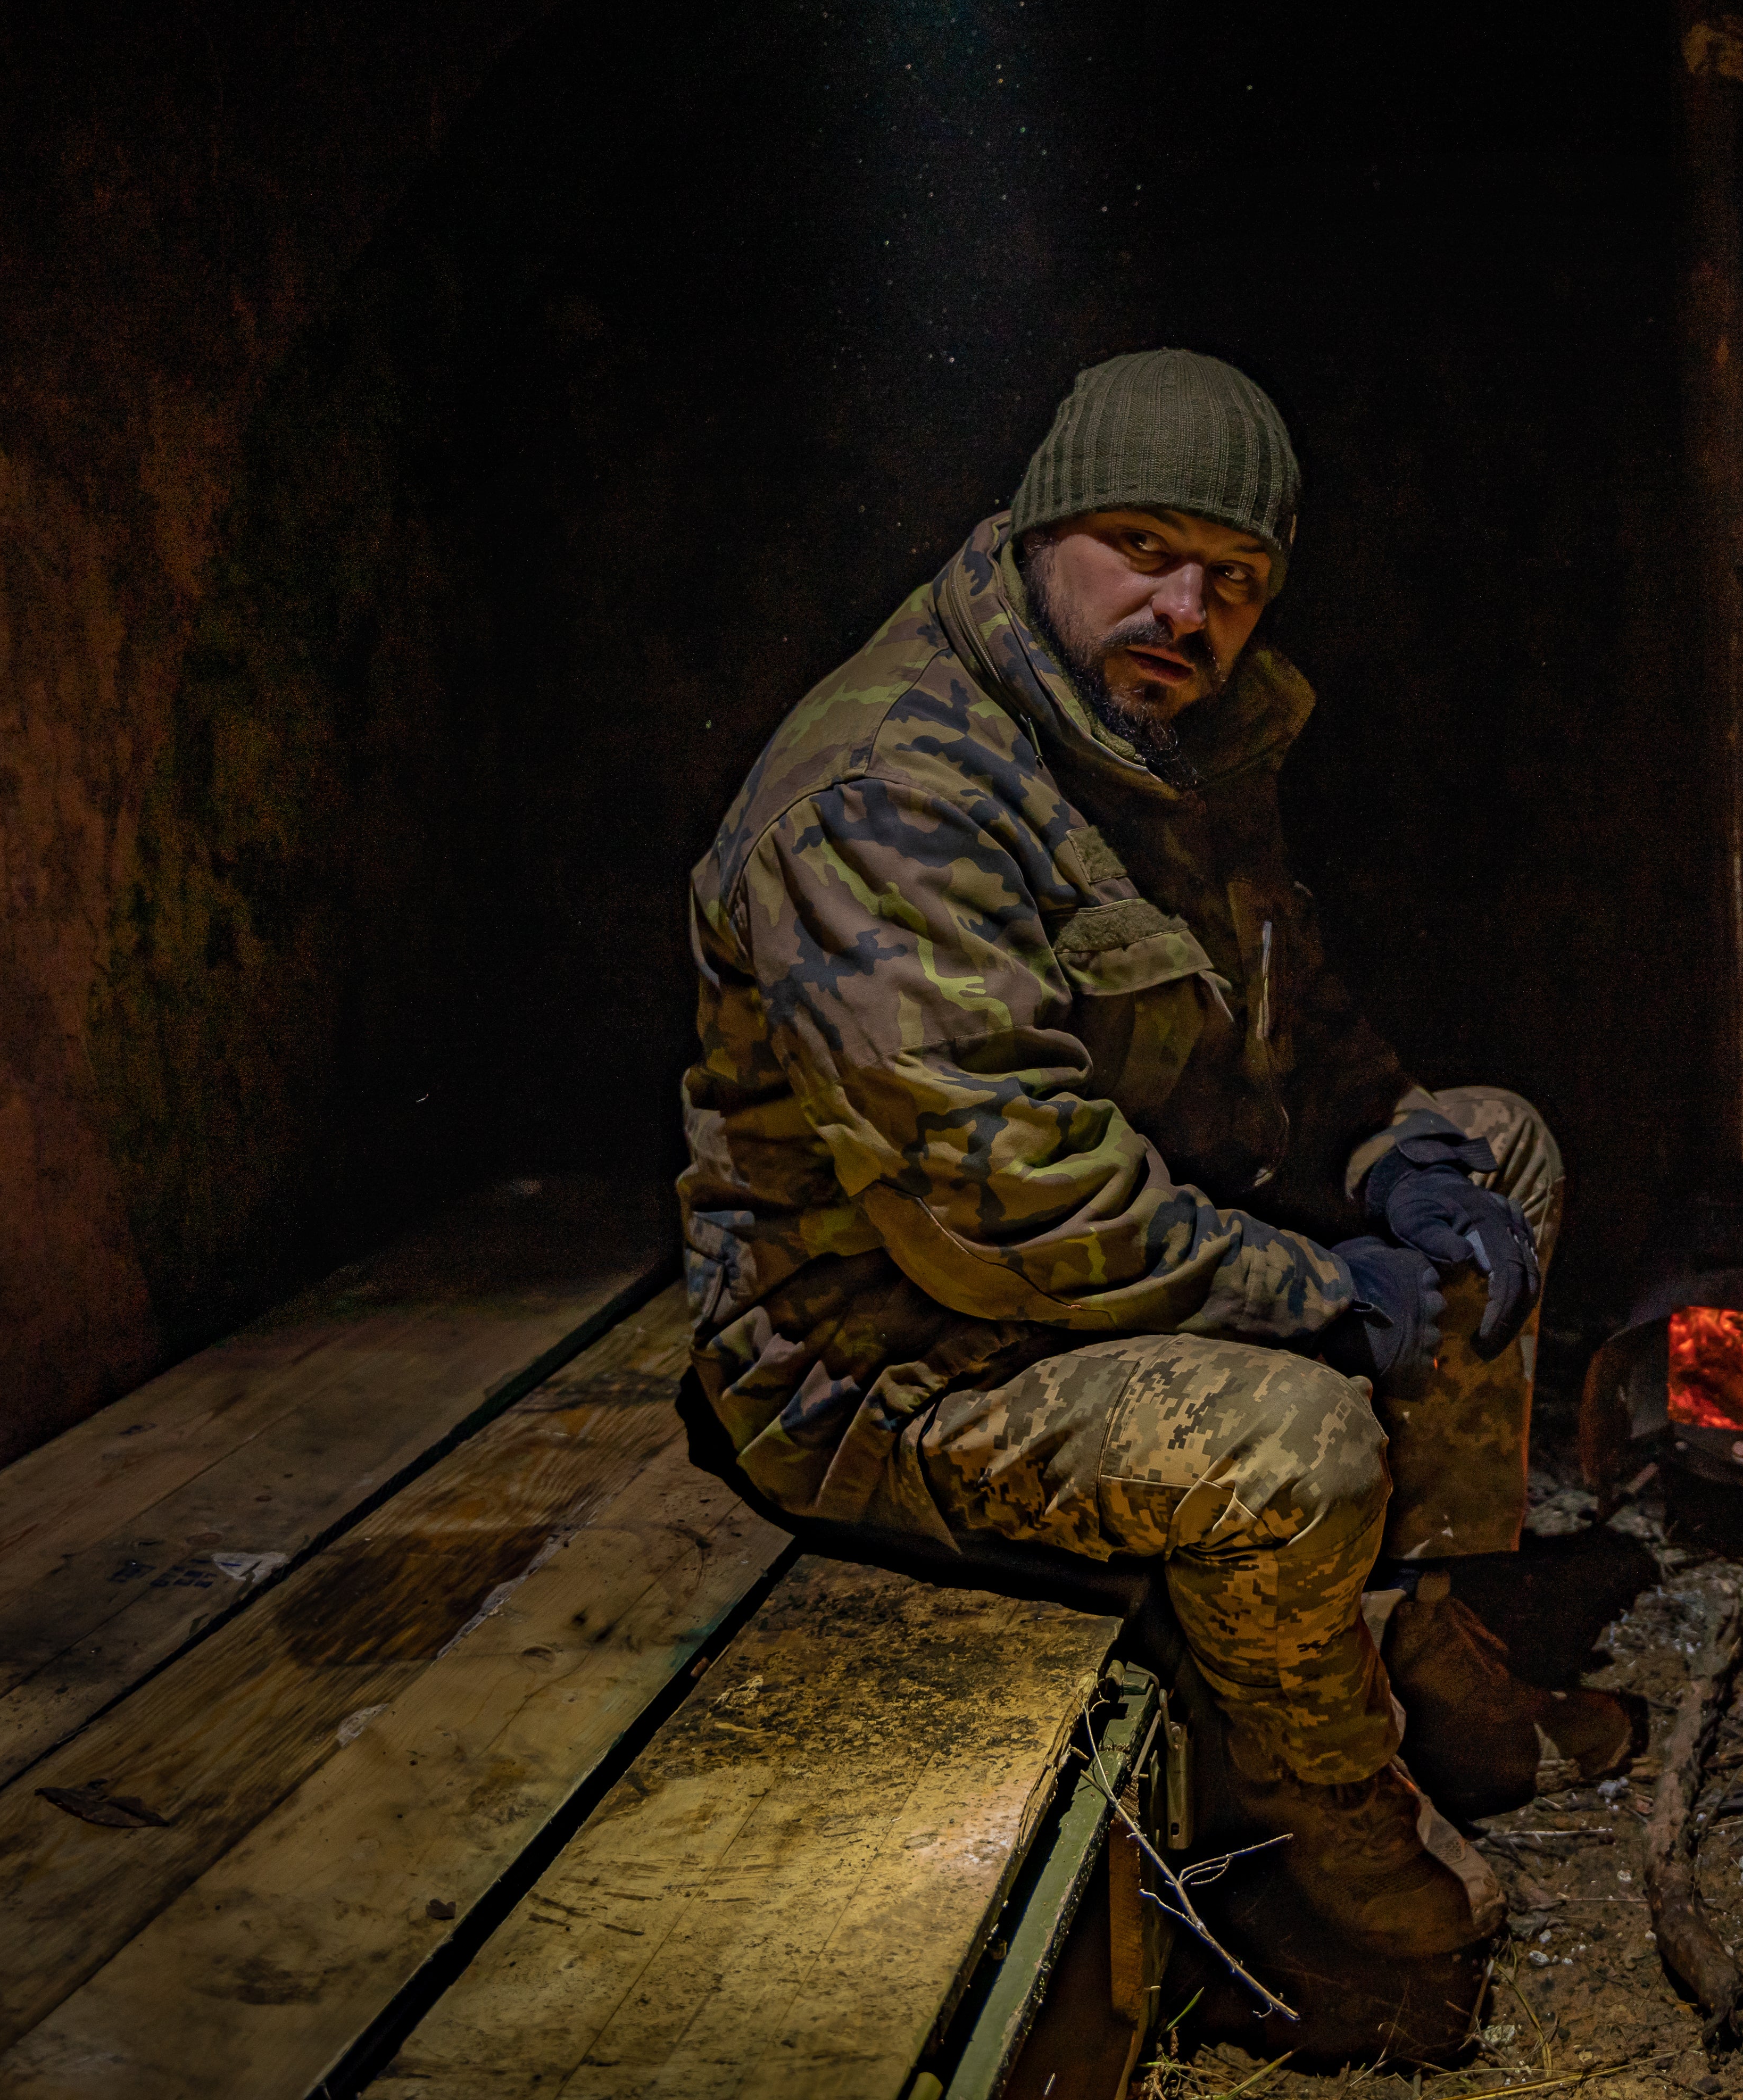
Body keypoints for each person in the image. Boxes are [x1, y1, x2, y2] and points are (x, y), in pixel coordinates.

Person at [673, 348, 1636, 2030]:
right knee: (1294, 1443)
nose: (1189, 606)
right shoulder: (887, 798)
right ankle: (1317, 1845)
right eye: (1144, 546)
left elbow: (1287, 1011)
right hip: (893, 1358)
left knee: (1498, 1153)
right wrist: (1318, 1294)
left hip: (1115, 1263)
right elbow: (1004, 1210)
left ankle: (1421, 1644)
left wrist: (1393, 1142)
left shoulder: (1173, 735)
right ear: (1047, 533)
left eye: (1237, 578)